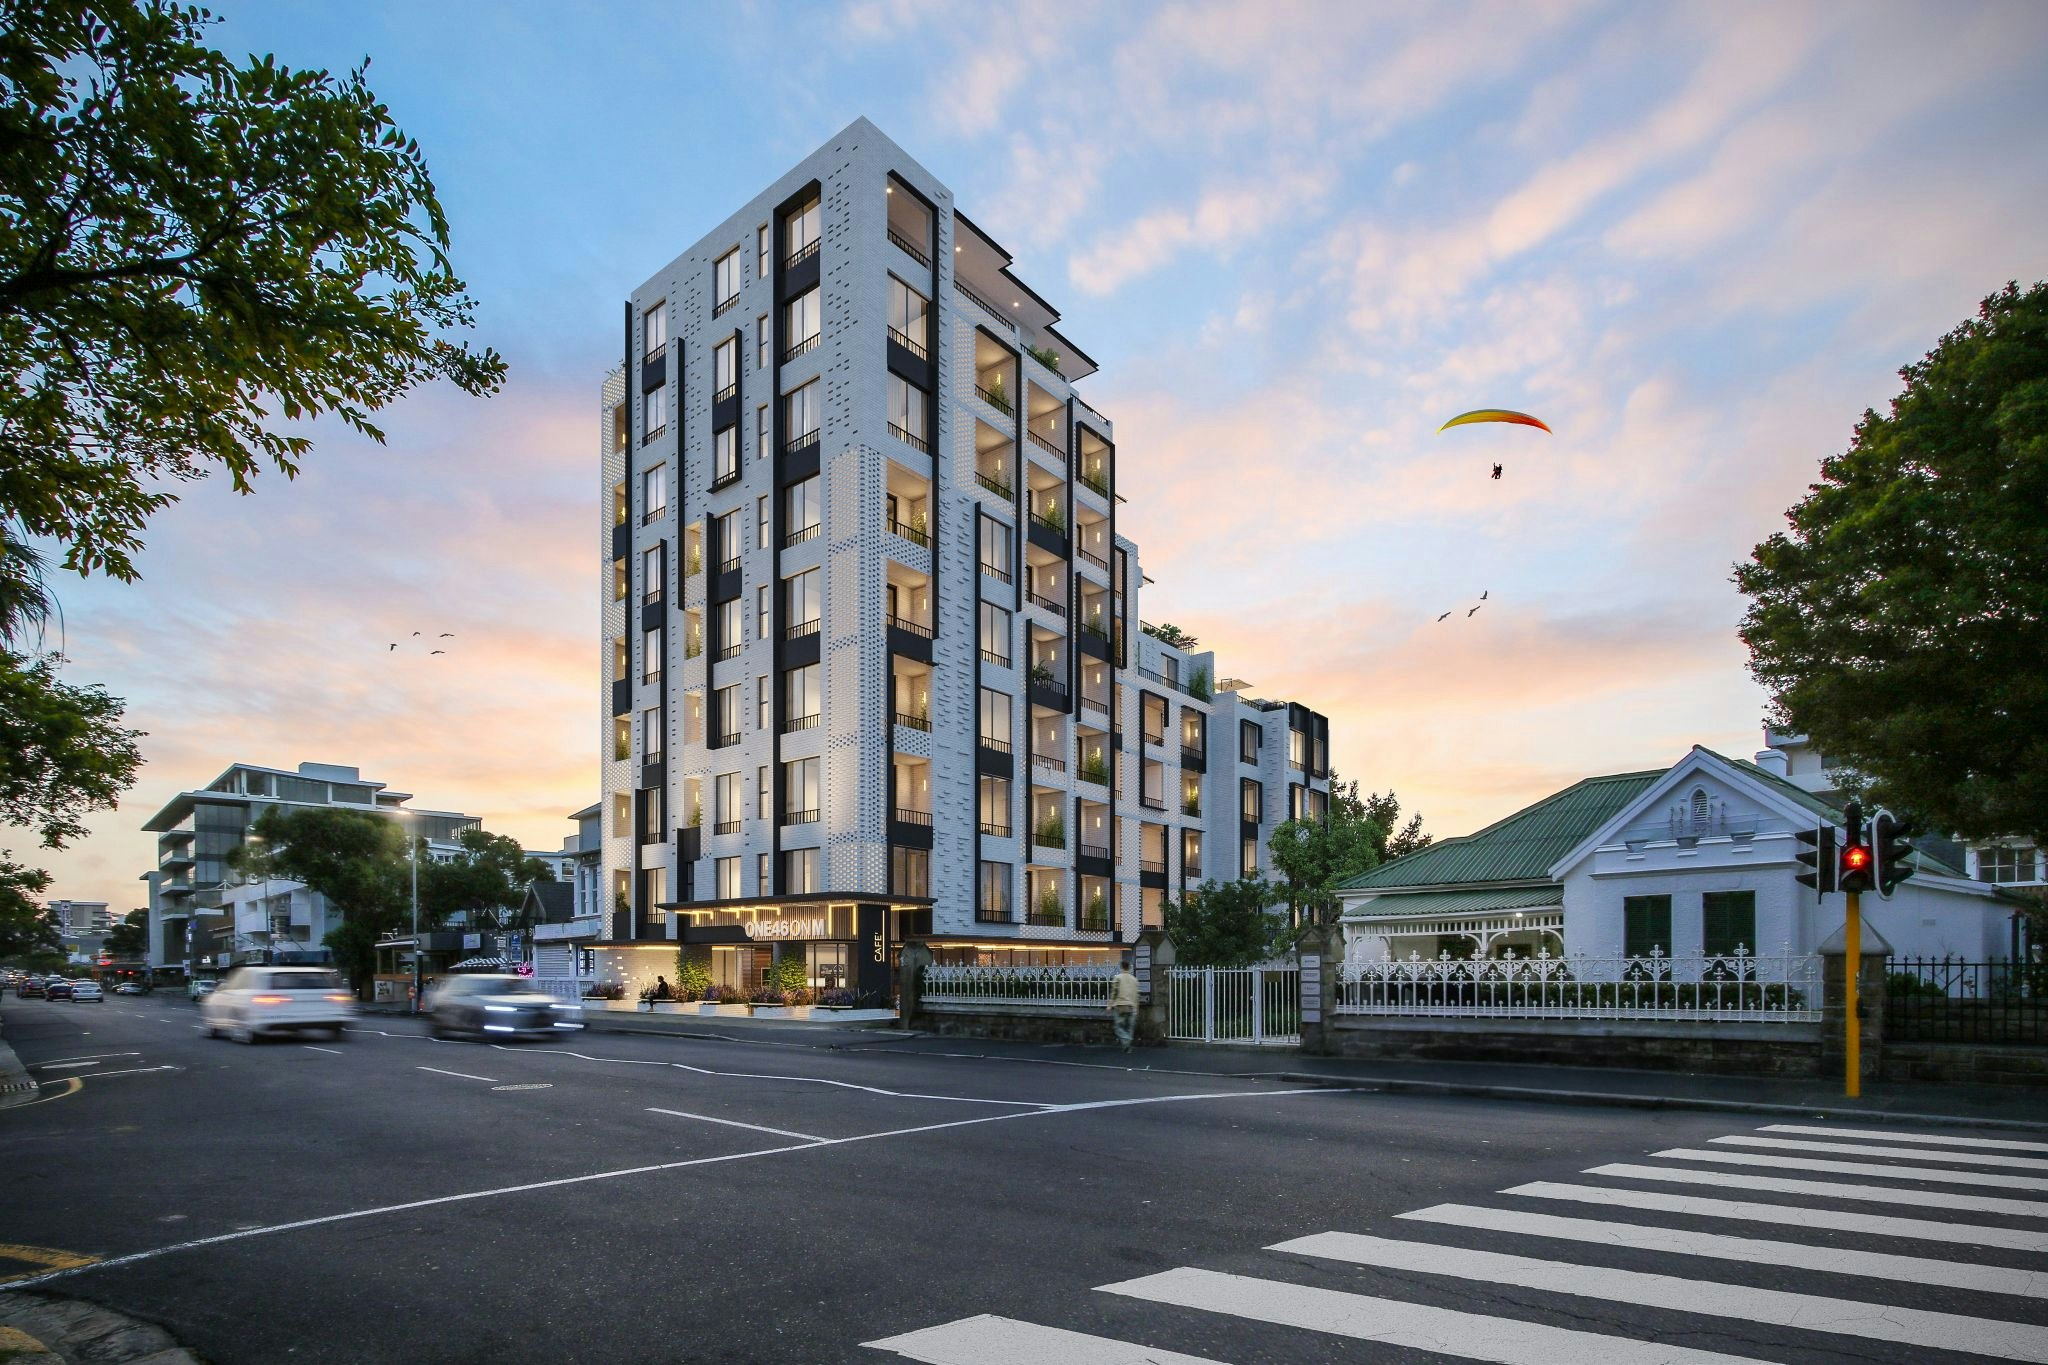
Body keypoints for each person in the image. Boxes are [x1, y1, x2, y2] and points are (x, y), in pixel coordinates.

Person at [1107, 958, 1140, 1052]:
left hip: (1120, 1006)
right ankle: (1127, 1045)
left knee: (1118, 1027)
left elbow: (1114, 992)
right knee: (1129, 1027)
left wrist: (1110, 1005)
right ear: (1129, 968)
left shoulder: (1117, 978)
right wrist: (1136, 1008)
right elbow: (1137, 995)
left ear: (1121, 967)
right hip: (1131, 1006)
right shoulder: (1134, 980)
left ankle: (1127, 1040)